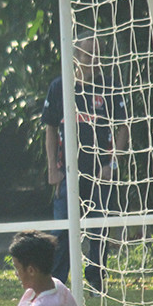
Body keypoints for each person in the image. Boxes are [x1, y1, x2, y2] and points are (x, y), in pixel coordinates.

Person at [42, 36, 129, 291]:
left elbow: (123, 127)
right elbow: (49, 129)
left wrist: (112, 164)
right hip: (68, 172)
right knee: (63, 231)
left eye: (97, 54)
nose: (94, 60)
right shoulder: (60, 87)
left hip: (100, 171)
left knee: (98, 228)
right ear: (76, 57)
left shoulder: (109, 86)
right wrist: (53, 170)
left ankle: (96, 279)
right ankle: (57, 283)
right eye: (88, 54)